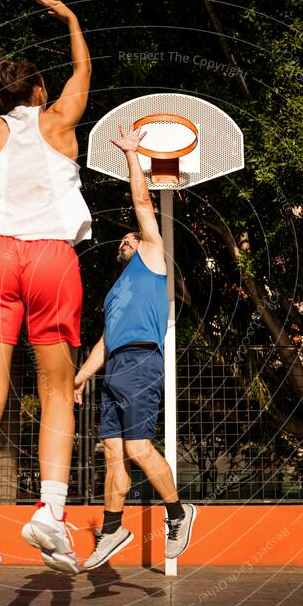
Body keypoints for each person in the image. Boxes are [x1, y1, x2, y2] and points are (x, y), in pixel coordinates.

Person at [0, 0, 92, 592]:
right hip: (50, 258)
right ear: (37, 90)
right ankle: (50, 515)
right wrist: (73, 25)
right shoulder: (59, 119)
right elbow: (83, 73)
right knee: (57, 388)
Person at [74, 124, 197, 570]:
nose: (126, 240)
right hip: (116, 366)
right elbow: (106, 341)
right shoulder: (113, 294)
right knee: (111, 450)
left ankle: (180, 515)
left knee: (140, 448)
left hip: (144, 360)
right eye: (123, 240)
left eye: (131, 236)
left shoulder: (152, 255)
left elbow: (143, 202)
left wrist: (131, 153)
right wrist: (83, 375)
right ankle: (112, 530)